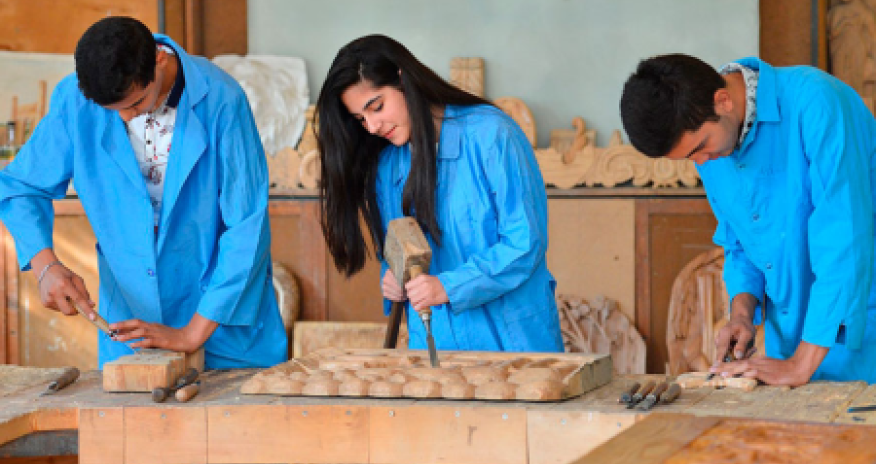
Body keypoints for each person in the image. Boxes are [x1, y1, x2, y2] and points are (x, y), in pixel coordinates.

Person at [0, 16, 286, 369]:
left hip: (221, 324)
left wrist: (191, 334)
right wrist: (46, 266)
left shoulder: (223, 100)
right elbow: (21, 187)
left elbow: (247, 227)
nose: (125, 118)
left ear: (159, 60)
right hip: (133, 327)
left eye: (135, 104)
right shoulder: (75, 100)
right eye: (113, 111)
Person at [620, 53, 876, 385]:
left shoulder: (817, 103)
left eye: (701, 147)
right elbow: (739, 240)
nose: (702, 162)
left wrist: (801, 364)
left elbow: (844, 241)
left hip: (861, 333)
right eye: (690, 157)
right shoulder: (713, 147)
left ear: (723, 101)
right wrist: (741, 313)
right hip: (793, 344)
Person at [314, 34, 563, 352]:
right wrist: (392, 277)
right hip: (436, 346)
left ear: (403, 80)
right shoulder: (388, 165)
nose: (373, 126)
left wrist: (449, 286)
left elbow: (524, 243)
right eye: (361, 119)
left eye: (377, 107)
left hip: (514, 341)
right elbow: (397, 249)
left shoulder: (492, 135)